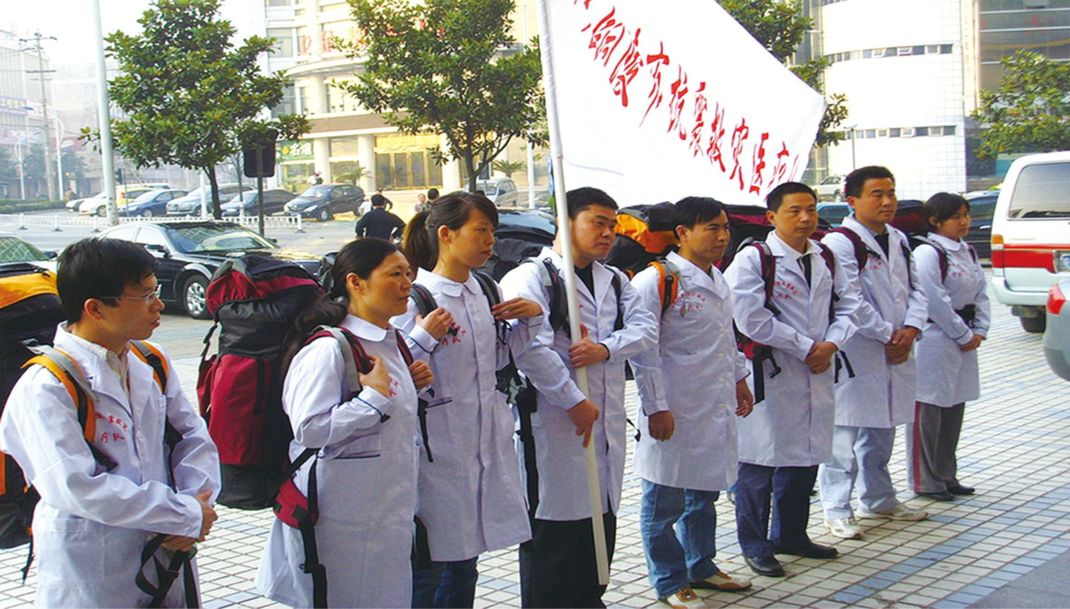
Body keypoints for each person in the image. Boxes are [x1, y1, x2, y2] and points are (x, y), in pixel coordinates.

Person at [0, 238, 220, 607]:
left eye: (156, 291)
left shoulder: (150, 360)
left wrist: (196, 504)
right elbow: (74, 486)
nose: (159, 304)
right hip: (91, 562)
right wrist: (182, 514)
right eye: (144, 296)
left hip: (167, 549)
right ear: (95, 308)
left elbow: (191, 437)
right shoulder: (47, 385)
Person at [500, 186, 658, 608]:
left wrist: (605, 349)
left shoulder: (616, 279)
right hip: (552, 421)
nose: (608, 233)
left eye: (612, 225)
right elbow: (530, 349)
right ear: (564, 222)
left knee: (599, 518)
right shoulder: (531, 277)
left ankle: (590, 598)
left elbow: (645, 331)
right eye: (597, 223)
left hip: (603, 416)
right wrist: (573, 400)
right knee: (554, 527)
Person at [256, 238, 434, 608]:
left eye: (408, 274)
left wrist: (402, 391)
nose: (406, 284)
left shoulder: (392, 340)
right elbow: (309, 428)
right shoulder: (327, 348)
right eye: (394, 274)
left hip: (386, 516)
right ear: (356, 282)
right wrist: (374, 400)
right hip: (337, 523)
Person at [395, 192, 543, 608]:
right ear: (446, 234)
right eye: (480, 231)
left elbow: (500, 357)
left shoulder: (485, 289)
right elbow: (394, 371)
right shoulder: (416, 296)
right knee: (431, 561)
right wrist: (423, 338)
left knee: (466, 557)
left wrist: (532, 319)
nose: (490, 241)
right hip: (435, 449)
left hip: (481, 440)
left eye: (492, 232)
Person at [725, 182, 860, 578]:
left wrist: (832, 344)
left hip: (817, 368)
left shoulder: (826, 257)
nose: (805, 218)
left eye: (812, 210)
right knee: (759, 461)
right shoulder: (754, 259)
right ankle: (755, 544)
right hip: (773, 372)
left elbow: (850, 304)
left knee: (806, 453)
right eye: (795, 211)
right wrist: (806, 347)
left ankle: (791, 534)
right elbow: (749, 317)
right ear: (772, 217)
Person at [629, 197, 754, 608]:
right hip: (674, 406)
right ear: (682, 233)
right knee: (663, 498)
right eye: (711, 228)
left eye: (724, 228)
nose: (722, 237)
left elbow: (727, 337)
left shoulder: (718, 278)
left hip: (712, 404)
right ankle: (668, 580)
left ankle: (701, 563)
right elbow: (642, 351)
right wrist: (655, 407)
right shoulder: (657, 281)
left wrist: (739, 379)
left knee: (704, 491)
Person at [818, 166, 930, 540]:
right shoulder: (840, 242)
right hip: (859, 349)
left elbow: (917, 289)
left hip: (897, 347)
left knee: (883, 428)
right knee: (843, 436)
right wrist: (889, 335)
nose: (887, 201)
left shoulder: (897, 238)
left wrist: (912, 329)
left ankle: (879, 498)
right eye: (877, 194)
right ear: (853, 200)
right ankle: (836, 508)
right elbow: (851, 299)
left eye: (891, 193)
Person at [907, 193, 989, 501]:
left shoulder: (966, 250)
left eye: (966, 215)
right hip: (935, 339)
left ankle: (946, 473)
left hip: (964, 336)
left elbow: (981, 291)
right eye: (956, 217)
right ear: (935, 221)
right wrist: (962, 334)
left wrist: (980, 328)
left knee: (955, 406)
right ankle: (925, 479)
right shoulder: (929, 253)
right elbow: (935, 300)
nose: (964, 222)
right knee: (929, 410)